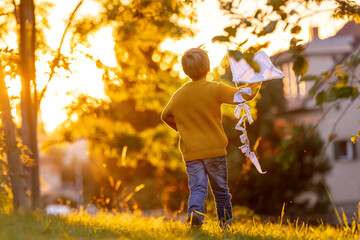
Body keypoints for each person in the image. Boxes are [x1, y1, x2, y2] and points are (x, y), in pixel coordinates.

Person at [161, 46, 261, 228]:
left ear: (185, 70)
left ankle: (195, 215)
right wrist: (257, 79)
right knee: (221, 191)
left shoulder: (179, 95)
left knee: (198, 188)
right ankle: (225, 225)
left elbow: (165, 116)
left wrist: (182, 129)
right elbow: (244, 95)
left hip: (192, 153)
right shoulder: (215, 89)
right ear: (208, 68)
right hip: (214, 151)